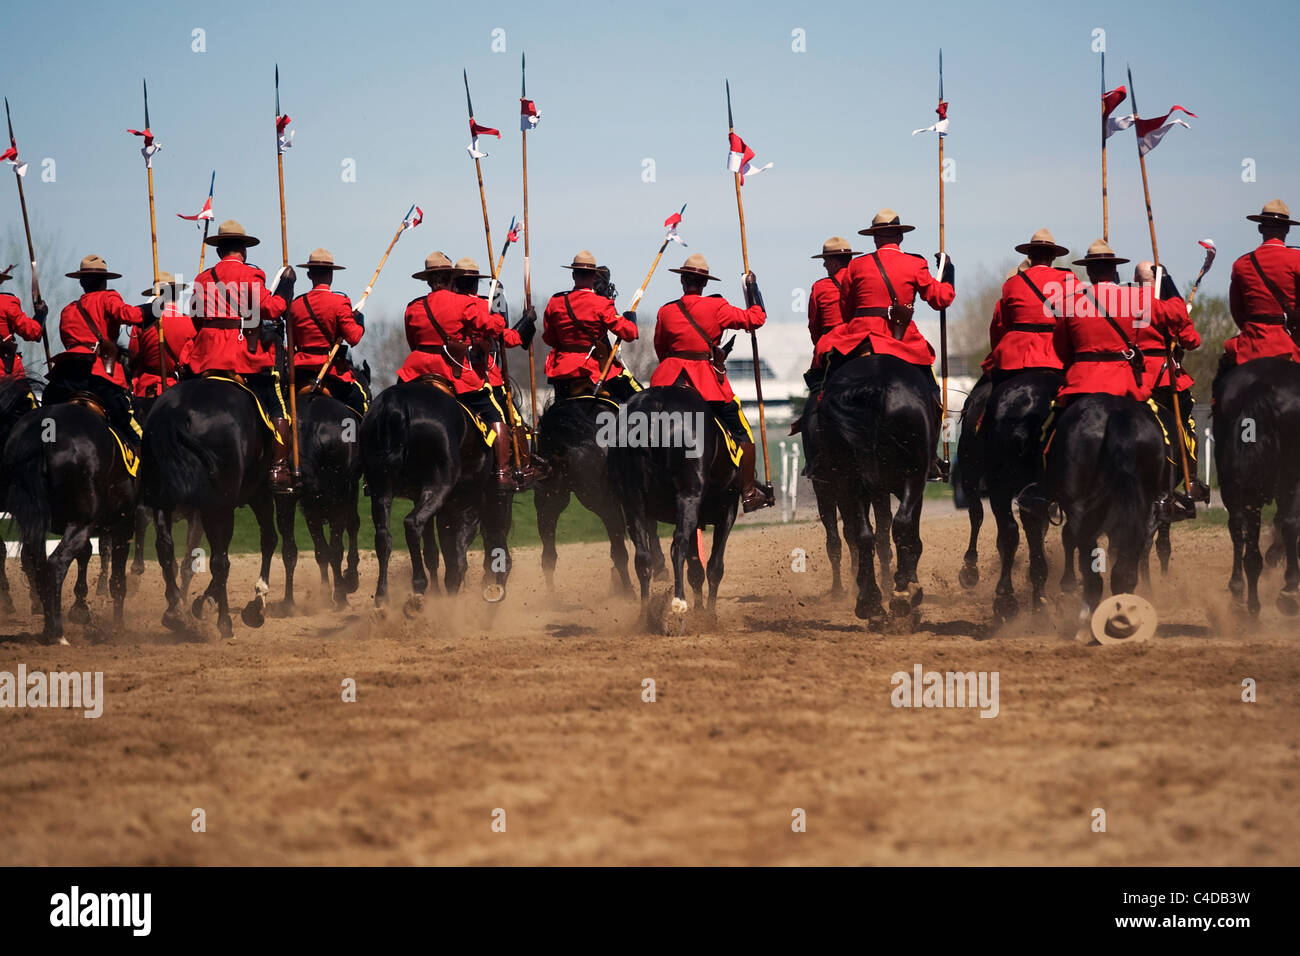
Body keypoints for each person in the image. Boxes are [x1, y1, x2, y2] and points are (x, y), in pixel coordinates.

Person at [1049, 239, 1191, 521]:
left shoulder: (1069, 302)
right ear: (1114, 269)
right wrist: (1168, 282)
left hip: (1083, 385)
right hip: (1126, 386)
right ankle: (1164, 496)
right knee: (1163, 432)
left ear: (1089, 271)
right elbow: (1178, 314)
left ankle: (1047, 492)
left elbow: (1061, 349)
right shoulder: (1137, 298)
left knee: (1050, 433)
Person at [813, 208, 956, 480]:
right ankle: (930, 458)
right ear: (900, 237)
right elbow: (940, 300)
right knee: (933, 395)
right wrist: (947, 274)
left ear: (875, 238)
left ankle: (825, 455)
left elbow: (846, 308)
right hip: (903, 343)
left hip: (861, 338)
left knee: (828, 388)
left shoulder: (857, 265)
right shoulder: (916, 263)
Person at [649, 252, 773, 512]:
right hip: (705, 383)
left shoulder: (666, 310)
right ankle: (749, 492)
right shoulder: (717, 307)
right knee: (741, 430)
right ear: (704, 283)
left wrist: (673, 368)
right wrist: (752, 290)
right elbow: (756, 319)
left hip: (667, 381)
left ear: (682, 281)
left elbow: (660, 348)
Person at [185, 219, 297, 493]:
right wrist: (286, 286)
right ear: (243, 250)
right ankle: (278, 469)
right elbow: (272, 309)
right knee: (276, 403)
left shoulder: (202, 279)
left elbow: (196, 319)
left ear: (218, 251)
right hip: (240, 356)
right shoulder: (251, 275)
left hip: (206, 357)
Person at [397, 251, 518, 491]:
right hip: (452, 370)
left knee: (395, 414)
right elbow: (493, 326)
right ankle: (503, 472)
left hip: (415, 369)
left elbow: (413, 341)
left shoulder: (413, 307)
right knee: (494, 414)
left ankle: (387, 471)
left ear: (429, 280)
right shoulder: (465, 303)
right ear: (451, 278)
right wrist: (498, 317)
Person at [452, 256, 547, 486]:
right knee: (511, 418)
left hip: (447, 372)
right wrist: (527, 321)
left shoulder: (443, 304)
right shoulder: (478, 306)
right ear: (475, 283)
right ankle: (518, 468)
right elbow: (509, 338)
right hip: (480, 374)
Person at [45, 254, 145, 448]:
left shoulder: (68, 309)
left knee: (45, 420)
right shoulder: (108, 298)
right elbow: (130, 315)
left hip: (66, 376)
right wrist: (156, 307)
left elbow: (67, 341)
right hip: (98, 375)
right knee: (133, 430)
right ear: (105, 281)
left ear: (81, 282)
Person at [1132, 260, 1210, 504]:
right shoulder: (1166, 308)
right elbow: (1193, 341)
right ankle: (1191, 479)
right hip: (1162, 379)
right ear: (1156, 283)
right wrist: (1179, 320)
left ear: (1135, 282)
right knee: (1186, 422)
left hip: (1131, 378)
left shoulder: (1122, 304)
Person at [541, 250, 640, 402]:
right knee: (637, 402)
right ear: (593, 277)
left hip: (562, 370)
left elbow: (549, 338)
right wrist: (630, 320)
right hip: (593, 370)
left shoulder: (555, 302)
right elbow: (630, 334)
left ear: (573, 275)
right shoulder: (601, 303)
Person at [984, 229, 1073, 387]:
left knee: (992, 396)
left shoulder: (1011, 284)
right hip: (1055, 357)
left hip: (1017, 358)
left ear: (1030, 256)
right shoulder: (1068, 280)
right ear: (1053, 256)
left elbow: (1002, 328)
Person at [286, 248, 368, 415]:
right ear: (331, 275)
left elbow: (291, 343)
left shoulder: (295, 305)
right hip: (331, 370)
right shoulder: (340, 302)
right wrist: (359, 321)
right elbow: (354, 338)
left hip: (301, 370)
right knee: (359, 404)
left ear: (309, 275)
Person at [1224, 198, 1300, 368]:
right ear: (1287, 229)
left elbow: (1237, 311)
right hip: (1288, 345)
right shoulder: (1297, 260)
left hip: (1251, 345)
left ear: (1260, 228)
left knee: (1222, 383)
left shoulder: (1241, 264)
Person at [804, 236, 859, 393]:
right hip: (862, 339)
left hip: (831, 344)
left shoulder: (820, 287)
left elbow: (814, 325)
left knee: (817, 391)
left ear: (834, 262)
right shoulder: (862, 281)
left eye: (826, 261)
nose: (824, 265)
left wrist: (820, 344)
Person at [129, 271, 196, 399]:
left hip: (145, 389)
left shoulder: (141, 323)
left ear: (156, 295)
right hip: (176, 390)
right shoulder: (190, 323)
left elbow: (134, 358)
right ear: (176, 295)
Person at [0, 264, 45, 393]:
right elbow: (32, 332)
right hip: (4, 375)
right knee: (27, 407)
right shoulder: (5, 303)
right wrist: (41, 314)